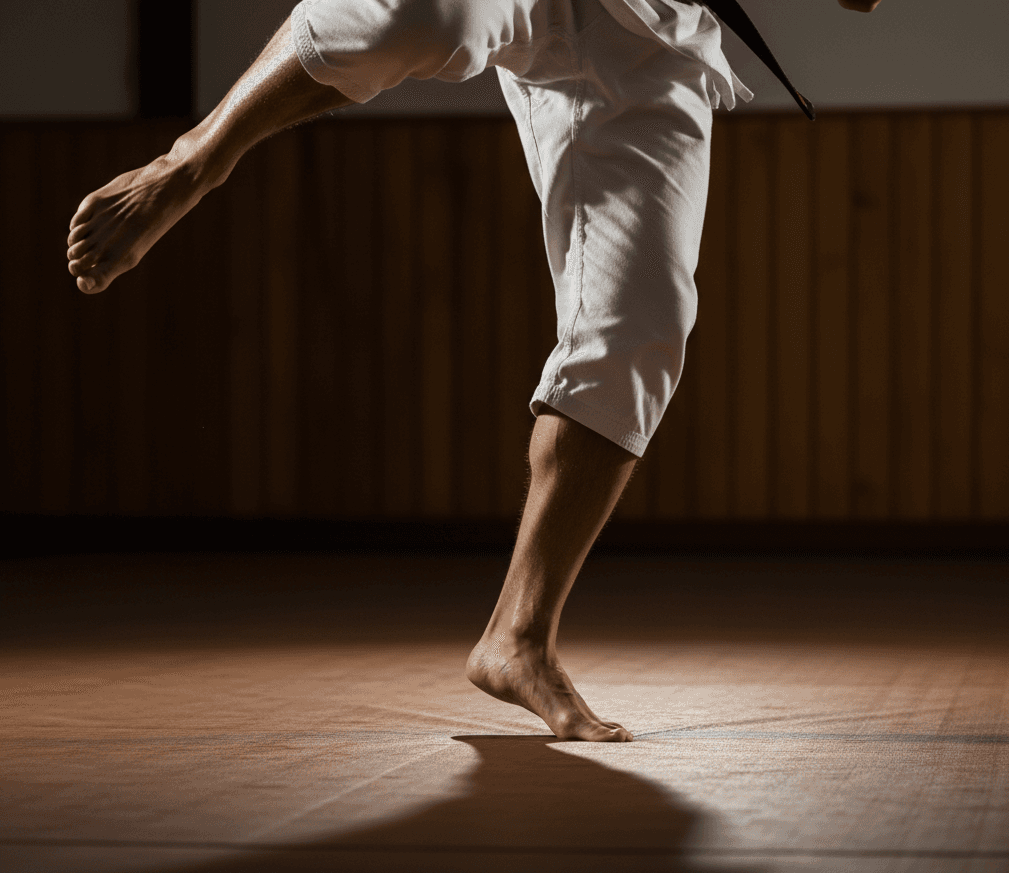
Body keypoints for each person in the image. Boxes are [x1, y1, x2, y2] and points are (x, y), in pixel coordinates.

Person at [66, 0, 881, 742]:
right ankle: (194, 159)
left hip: (654, 24)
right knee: (430, 19)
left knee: (640, 326)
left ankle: (518, 639)